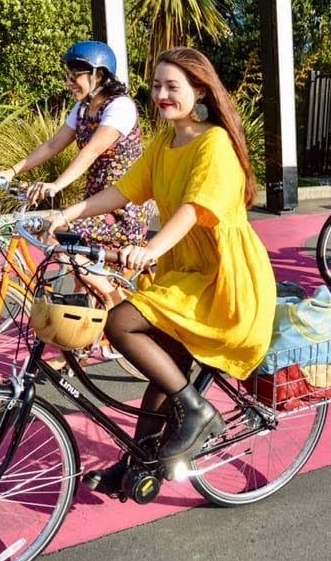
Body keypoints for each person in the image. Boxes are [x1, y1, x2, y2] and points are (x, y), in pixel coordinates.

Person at [44, 47, 277, 496]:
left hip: (222, 277)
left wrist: (149, 249)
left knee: (121, 322)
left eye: (173, 86)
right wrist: (66, 214)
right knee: (163, 368)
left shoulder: (214, 143)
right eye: (156, 86)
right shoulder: (165, 143)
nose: (162, 95)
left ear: (200, 90)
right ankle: (139, 462)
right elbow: (124, 191)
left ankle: (195, 410)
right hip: (185, 270)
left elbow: (193, 209)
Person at [0, 40, 151, 270]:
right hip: (94, 204)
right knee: (72, 262)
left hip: (123, 208)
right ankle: (90, 289)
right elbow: (53, 145)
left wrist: (56, 185)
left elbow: (92, 150)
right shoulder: (82, 108)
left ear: (99, 76)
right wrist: (12, 171)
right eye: (67, 76)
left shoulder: (120, 107)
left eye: (75, 76)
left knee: (51, 229)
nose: (68, 83)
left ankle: (105, 290)